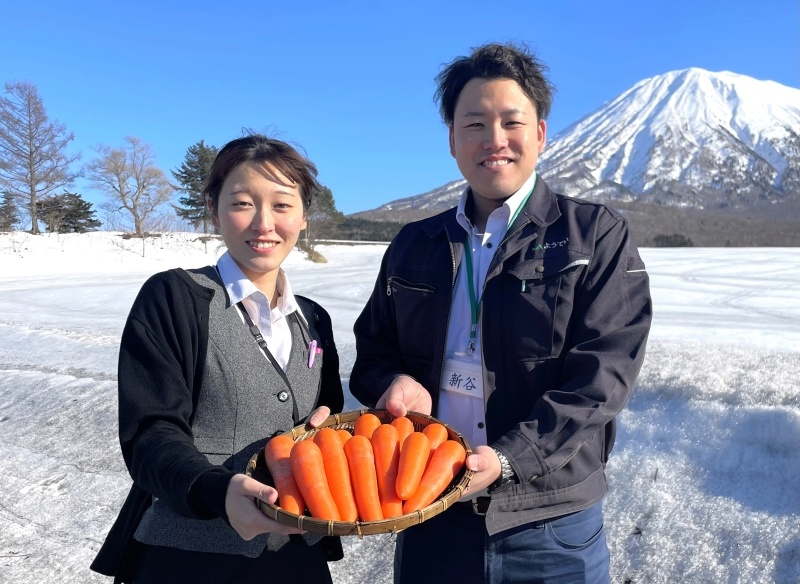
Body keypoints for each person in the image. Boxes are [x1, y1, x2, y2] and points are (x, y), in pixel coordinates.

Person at [349, 42, 652, 583]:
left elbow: (604, 374)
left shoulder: (592, 236)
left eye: (511, 122)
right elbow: (373, 351)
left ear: (539, 132)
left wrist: (512, 457)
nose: (494, 141)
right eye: (474, 124)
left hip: (551, 527)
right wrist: (392, 382)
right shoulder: (415, 245)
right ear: (451, 140)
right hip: (432, 515)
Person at [90, 134, 344, 583]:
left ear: (304, 217)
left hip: (297, 555)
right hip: (188, 556)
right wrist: (218, 491)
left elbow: (327, 415)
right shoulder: (175, 298)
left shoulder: (314, 320)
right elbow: (150, 434)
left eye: (283, 206)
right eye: (243, 203)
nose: (264, 224)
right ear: (214, 209)